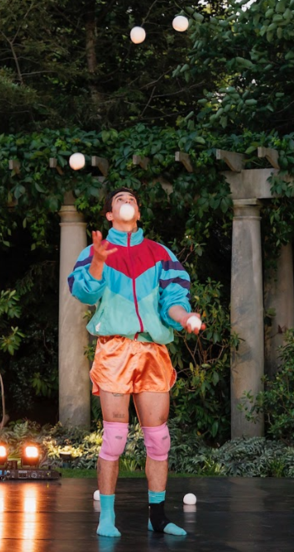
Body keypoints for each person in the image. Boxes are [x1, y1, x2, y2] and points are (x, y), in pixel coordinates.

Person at [68, 188, 203, 538]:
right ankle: (107, 518)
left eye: (131, 198)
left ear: (138, 212)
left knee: (159, 440)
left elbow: (172, 300)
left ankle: (156, 517)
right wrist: (98, 261)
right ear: (110, 216)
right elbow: (83, 292)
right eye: (118, 199)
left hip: (152, 353)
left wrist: (185, 317)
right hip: (114, 350)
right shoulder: (95, 252)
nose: (125, 200)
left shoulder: (159, 253)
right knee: (114, 438)